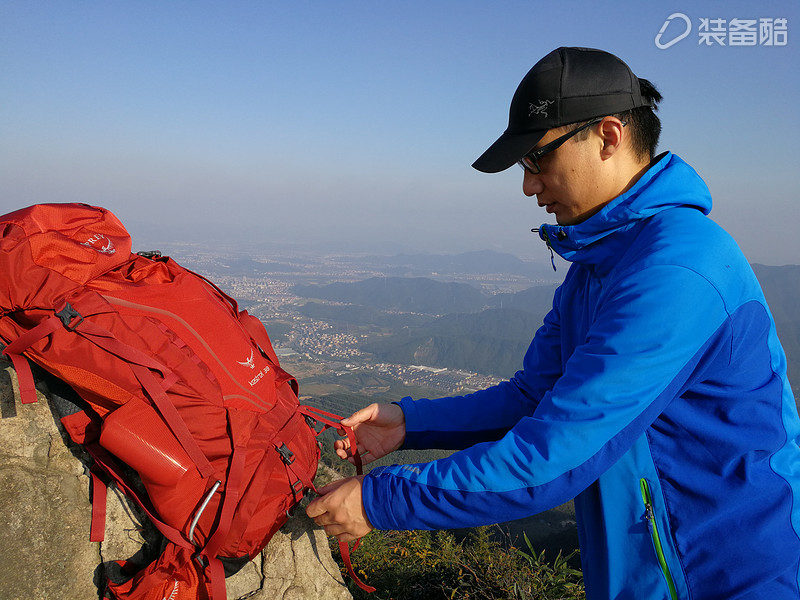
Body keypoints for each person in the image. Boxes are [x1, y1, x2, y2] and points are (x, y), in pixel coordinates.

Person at [306, 47, 800, 599]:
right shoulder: (601, 264)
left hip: (730, 578)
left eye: (538, 158)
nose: (528, 185)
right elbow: (531, 396)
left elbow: (552, 456)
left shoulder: (677, 269)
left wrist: (382, 501)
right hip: (649, 575)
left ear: (608, 137)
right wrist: (410, 423)